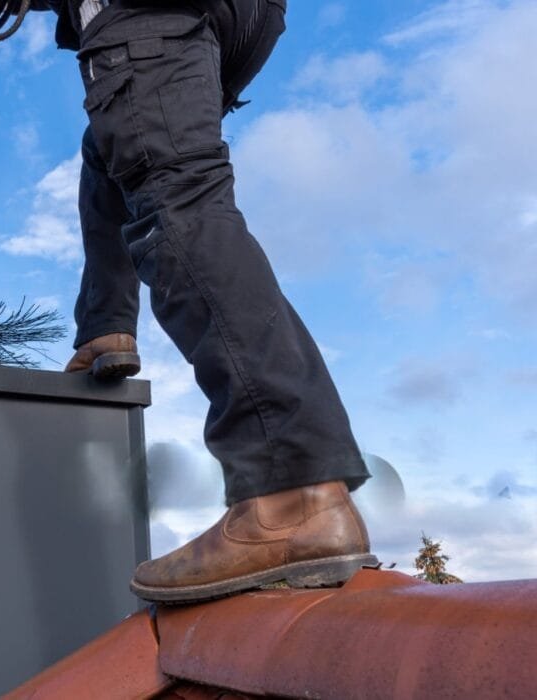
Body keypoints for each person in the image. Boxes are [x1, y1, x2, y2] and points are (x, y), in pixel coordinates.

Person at [29, 0, 378, 603]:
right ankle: (105, 325)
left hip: (143, 12)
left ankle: (292, 496)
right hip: (244, 17)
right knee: (112, 150)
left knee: (177, 205)